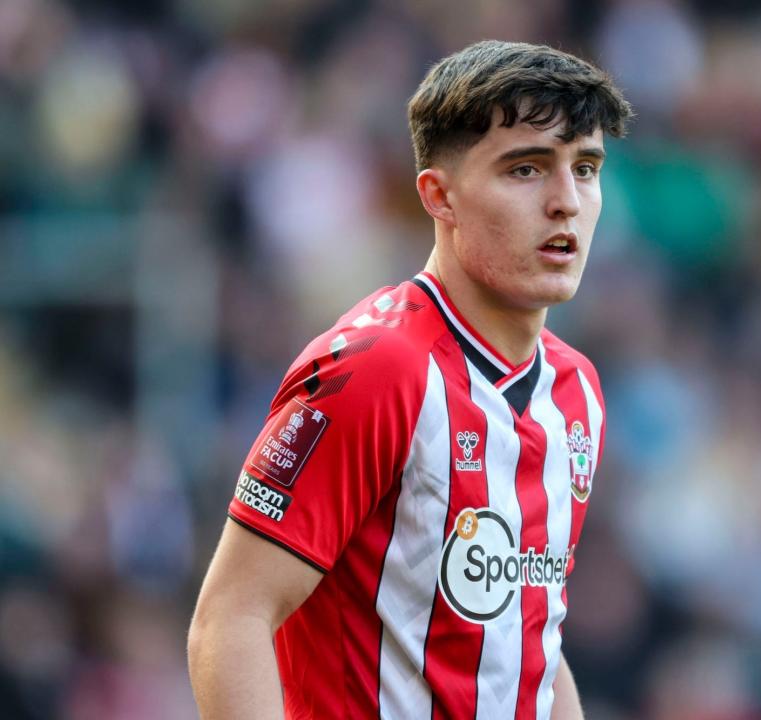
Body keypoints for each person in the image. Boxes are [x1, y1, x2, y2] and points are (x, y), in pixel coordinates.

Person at [187, 39, 631, 720]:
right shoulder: (376, 369)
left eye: (587, 168)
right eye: (526, 170)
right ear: (439, 197)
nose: (567, 202)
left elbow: (526, 641)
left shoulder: (577, 393)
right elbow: (230, 619)